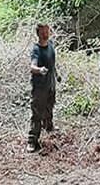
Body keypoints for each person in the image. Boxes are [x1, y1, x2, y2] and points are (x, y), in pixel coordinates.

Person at [27, 22, 59, 152]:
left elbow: (52, 63)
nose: (45, 34)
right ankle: (32, 140)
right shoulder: (35, 49)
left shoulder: (50, 44)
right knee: (37, 113)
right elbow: (32, 66)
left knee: (50, 106)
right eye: (42, 32)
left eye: (47, 31)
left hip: (51, 83)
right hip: (39, 87)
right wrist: (39, 70)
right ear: (38, 33)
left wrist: (56, 75)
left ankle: (49, 126)